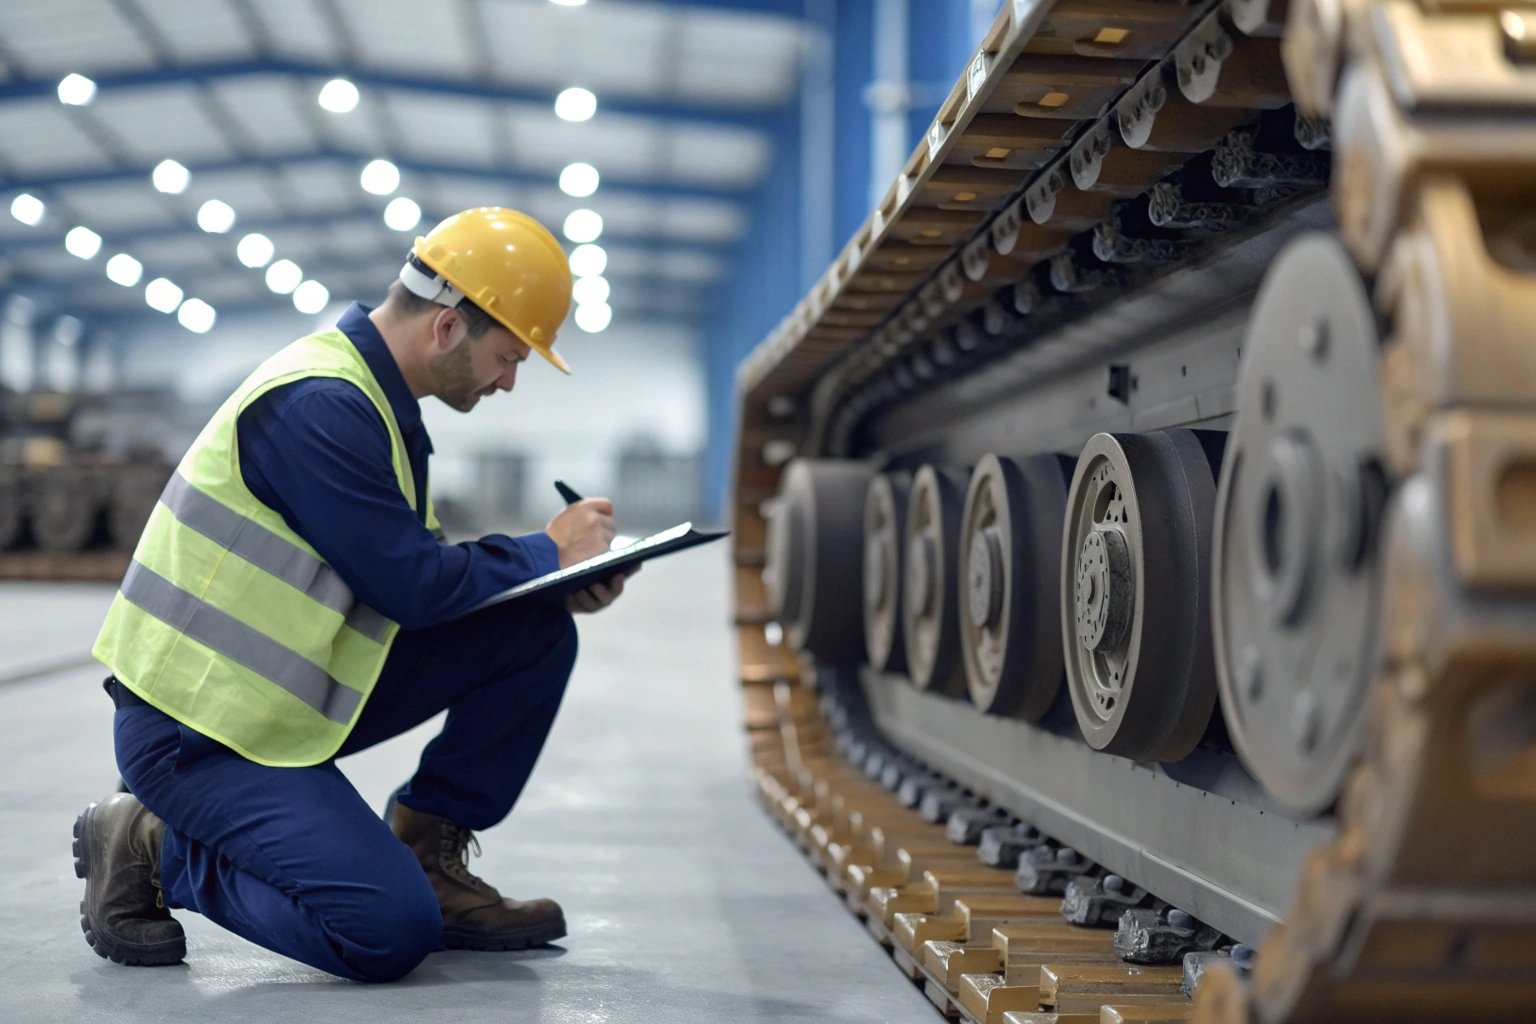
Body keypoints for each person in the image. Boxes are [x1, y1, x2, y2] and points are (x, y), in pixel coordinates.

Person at [73, 207, 627, 982]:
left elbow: (417, 583)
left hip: (278, 700)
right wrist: (544, 549)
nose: (508, 381)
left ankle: (429, 854)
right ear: (445, 328)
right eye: (509, 358)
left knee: (531, 631)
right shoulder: (321, 405)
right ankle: (154, 845)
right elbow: (413, 588)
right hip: (195, 730)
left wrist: (550, 584)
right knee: (387, 930)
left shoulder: (382, 411)